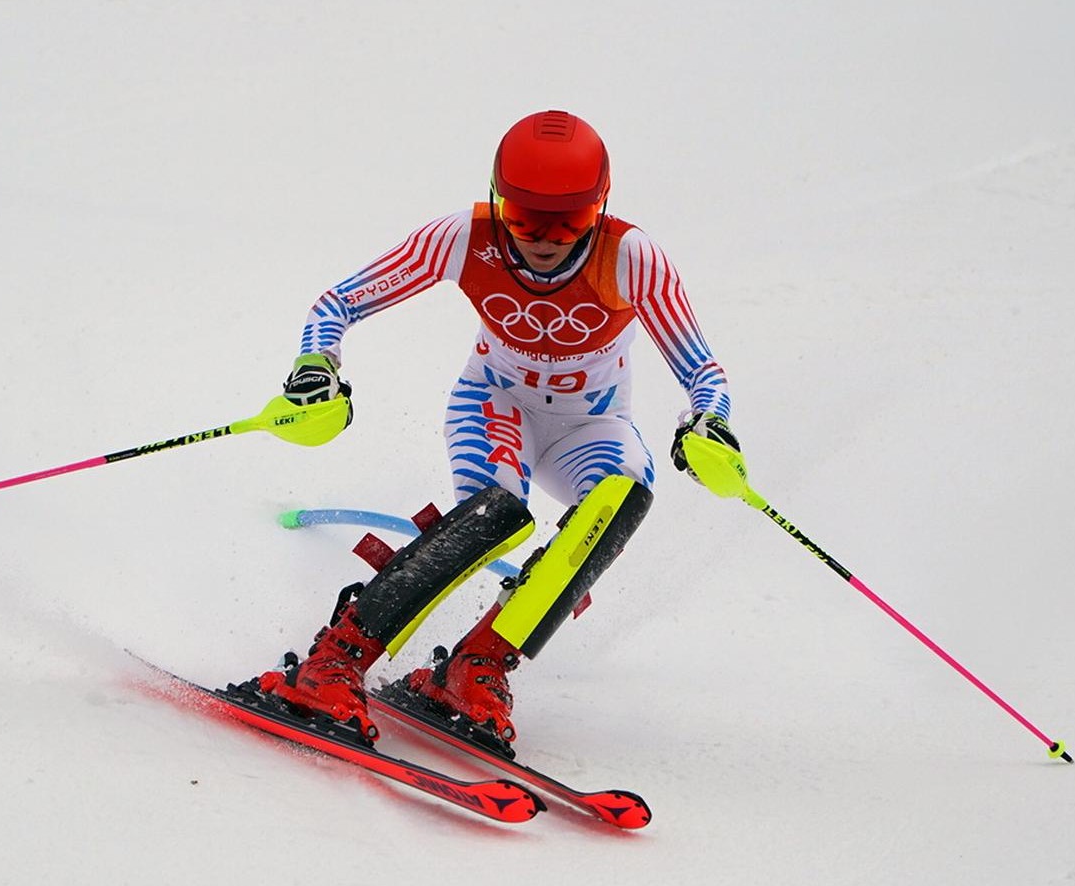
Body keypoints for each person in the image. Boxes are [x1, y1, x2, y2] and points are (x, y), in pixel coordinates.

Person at [254, 109, 740, 748]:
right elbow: (339, 302)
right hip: (495, 404)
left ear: (601, 209)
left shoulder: (631, 257)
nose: (544, 238)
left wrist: (709, 424)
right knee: (498, 510)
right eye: (522, 217)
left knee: (620, 500)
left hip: (590, 425)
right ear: (495, 199)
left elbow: (702, 369)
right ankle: (332, 663)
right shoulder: (463, 238)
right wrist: (317, 364)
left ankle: (475, 665)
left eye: (570, 221)